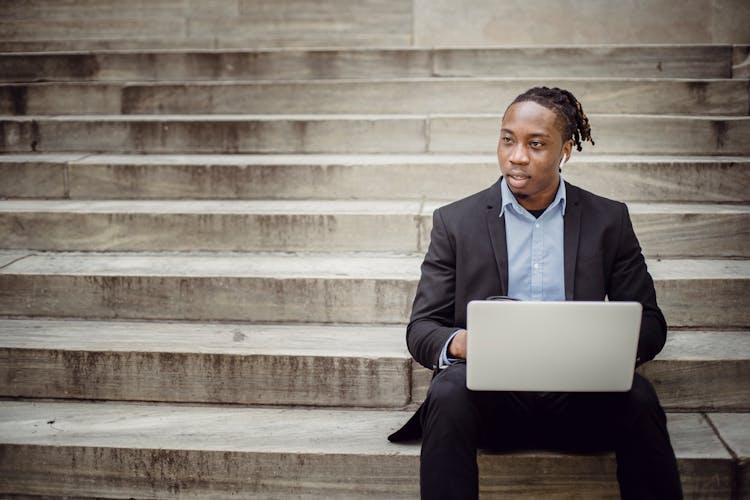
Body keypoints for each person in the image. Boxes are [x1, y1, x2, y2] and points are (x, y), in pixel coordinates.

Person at [388, 87, 683, 499]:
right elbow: (422, 328)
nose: (517, 156)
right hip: (493, 406)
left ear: (565, 151)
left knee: (638, 396)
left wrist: (606, 343)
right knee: (448, 390)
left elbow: (652, 324)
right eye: (508, 139)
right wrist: (463, 344)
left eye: (536, 144)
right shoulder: (455, 222)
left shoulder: (608, 220)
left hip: (580, 401)